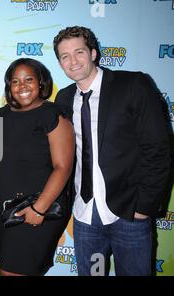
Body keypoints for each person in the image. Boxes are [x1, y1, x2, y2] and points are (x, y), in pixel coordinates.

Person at [53, 26, 171, 276]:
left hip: (128, 214)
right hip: (85, 216)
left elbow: (158, 148)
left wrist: (145, 207)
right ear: (60, 63)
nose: (73, 61)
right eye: (65, 56)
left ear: (93, 53)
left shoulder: (132, 85)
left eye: (79, 52)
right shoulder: (63, 99)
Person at [0, 58, 74, 276]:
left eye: (29, 79)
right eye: (15, 81)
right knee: (6, 269)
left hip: (40, 206)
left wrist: (39, 208)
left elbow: (63, 167)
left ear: (41, 82)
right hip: (7, 207)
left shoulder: (52, 115)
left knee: (15, 271)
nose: (22, 86)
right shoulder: (0, 115)